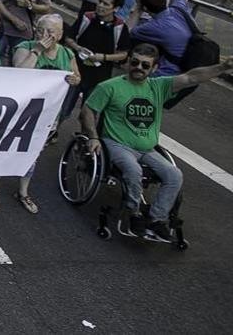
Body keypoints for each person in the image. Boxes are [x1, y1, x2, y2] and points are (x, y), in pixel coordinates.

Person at [81, 45, 233, 241]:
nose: (139, 67)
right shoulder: (109, 87)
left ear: (153, 68)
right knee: (133, 170)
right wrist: (93, 137)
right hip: (117, 144)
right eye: (134, 62)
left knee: (174, 175)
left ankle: (156, 219)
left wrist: (222, 67)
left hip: (147, 149)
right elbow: (87, 112)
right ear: (128, 62)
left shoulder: (158, 86)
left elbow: (191, 77)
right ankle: (133, 212)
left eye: (145, 65)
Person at [0, 13, 80, 213]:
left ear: (60, 34)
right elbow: (21, 73)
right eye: (40, 30)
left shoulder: (67, 54)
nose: (44, 35)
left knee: (33, 153)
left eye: (50, 32)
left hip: (47, 116)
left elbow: (76, 76)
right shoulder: (25, 48)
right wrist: (37, 50)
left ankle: (23, 191)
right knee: (6, 147)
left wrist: (75, 80)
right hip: (21, 112)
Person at [62, 0, 130, 124]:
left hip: (99, 77)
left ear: (115, 8)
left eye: (106, 4)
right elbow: (69, 38)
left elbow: (123, 54)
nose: (100, 6)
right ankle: (53, 132)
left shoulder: (120, 27)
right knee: (64, 107)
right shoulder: (87, 18)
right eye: (100, 1)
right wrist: (78, 48)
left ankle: (86, 137)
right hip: (76, 70)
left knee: (88, 113)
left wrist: (102, 57)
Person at [128, 0, 192, 77]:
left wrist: (138, 7)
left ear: (145, 8)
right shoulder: (177, 9)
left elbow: (128, 30)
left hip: (169, 72)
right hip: (188, 68)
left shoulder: (153, 27)